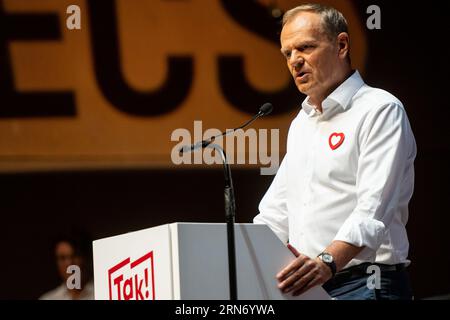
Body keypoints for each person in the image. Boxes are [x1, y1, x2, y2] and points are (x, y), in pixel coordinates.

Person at [253, 3, 416, 300]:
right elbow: (275, 215)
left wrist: (326, 262)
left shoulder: (379, 109)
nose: (295, 61)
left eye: (305, 47)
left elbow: (372, 212)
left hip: (366, 286)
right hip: (309, 288)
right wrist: (238, 256)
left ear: (341, 45)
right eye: (287, 53)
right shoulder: (303, 122)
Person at [39, 230, 94, 300]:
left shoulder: (103, 293)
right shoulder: (48, 298)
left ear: (86, 257)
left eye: (74, 256)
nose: (69, 263)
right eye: (62, 258)